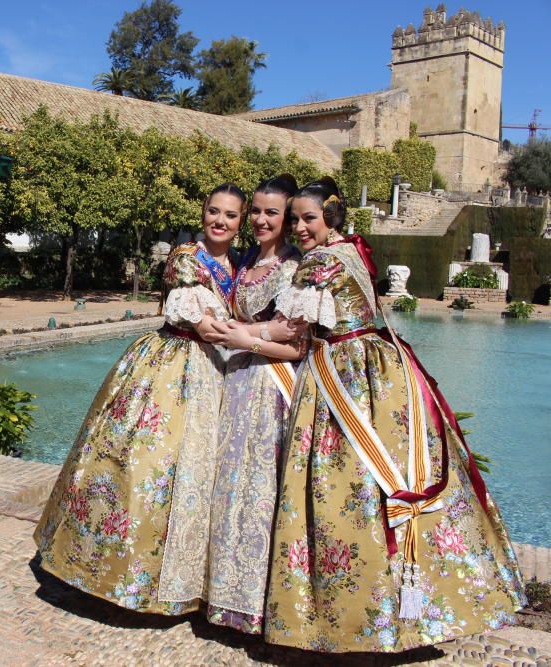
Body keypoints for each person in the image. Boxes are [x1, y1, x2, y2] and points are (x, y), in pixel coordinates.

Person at [264, 177, 526, 652]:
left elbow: (287, 331)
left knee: (343, 482)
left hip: (342, 371)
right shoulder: (352, 251)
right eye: (296, 218)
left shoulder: (320, 263)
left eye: (309, 218)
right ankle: (426, 602)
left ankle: (350, 618)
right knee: (390, 472)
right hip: (383, 370)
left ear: (332, 217)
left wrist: (228, 333)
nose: (300, 227)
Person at [34, 184, 246, 615]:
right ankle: (123, 576)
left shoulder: (239, 264)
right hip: (175, 365)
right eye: (213, 211)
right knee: (149, 460)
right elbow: (204, 326)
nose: (219, 221)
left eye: (230, 215)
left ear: (241, 222)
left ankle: (194, 579)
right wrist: (270, 341)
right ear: (202, 212)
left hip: (223, 369)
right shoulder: (186, 259)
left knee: (206, 475)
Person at [203, 175, 305, 634]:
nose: (262, 220)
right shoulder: (246, 260)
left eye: (272, 212)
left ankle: (258, 606)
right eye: (258, 211)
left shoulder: (294, 267)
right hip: (235, 381)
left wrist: (250, 337)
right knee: (228, 487)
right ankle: (221, 597)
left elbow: (300, 345)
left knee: (260, 493)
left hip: (271, 388)